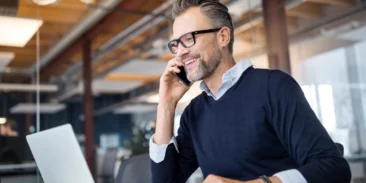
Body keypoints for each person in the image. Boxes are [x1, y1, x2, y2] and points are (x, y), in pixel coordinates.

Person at [149, 0, 351, 183]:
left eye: (189, 38)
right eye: (176, 44)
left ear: (223, 36)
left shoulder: (273, 86)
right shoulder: (194, 113)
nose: (181, 51)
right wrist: (166, 104)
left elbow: (334, 168)